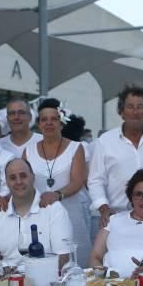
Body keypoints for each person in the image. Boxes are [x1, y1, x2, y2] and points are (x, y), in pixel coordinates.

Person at [23, 98, 90, 266]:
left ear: (62, 122)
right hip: (40, 215)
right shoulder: (28, 151)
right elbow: (24, 182)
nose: (49, 123)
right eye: (44, 119)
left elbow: (77, 181)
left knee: (73, 265)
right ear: (38, 124)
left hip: (70, 213)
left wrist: (57, 194)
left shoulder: (76, 148)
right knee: (43, 264)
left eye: (54, 118)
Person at [88, 84, 143, 228]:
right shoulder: (105, 141)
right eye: (130, 106)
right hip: (116, 218)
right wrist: (104, 208)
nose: (135, 112)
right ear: (121, 112)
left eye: (140, 107)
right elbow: (95, 180)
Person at [0, 158, 73, 269]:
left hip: (46, 281)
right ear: (7, 183)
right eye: (12, 178)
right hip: (8, 281)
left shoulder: (54, 210)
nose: (18, 182)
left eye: (23, 176)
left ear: (33, 177)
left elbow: (63, 259)